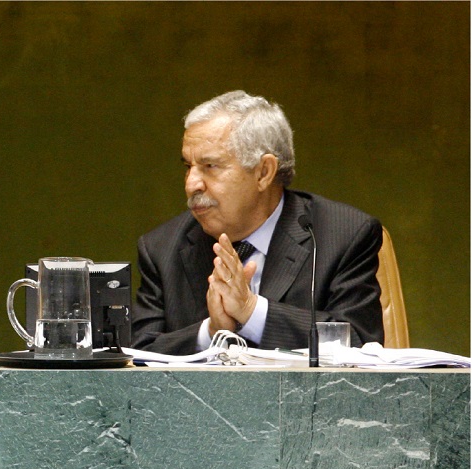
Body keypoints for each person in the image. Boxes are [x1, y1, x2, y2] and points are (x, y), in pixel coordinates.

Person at [131, 91, 384, 355]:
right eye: (188, 167)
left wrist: (252, 313)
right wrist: (211, 333)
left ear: (264, 172)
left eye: (210, 166)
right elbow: (138, 353)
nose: (192, 184)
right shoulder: (162, 248)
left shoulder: (341, 235)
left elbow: (360, 344)